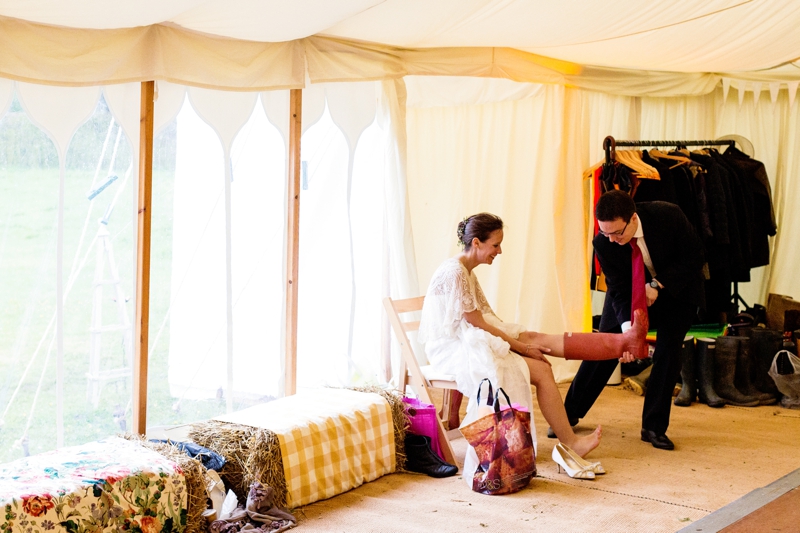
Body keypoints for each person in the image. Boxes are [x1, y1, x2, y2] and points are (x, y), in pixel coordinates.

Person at [418, 212, 647, 458]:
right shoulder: (456, 271)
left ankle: (624, 342)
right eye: (495, 245)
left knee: (535, 338)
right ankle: (571, 441)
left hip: (467, 335)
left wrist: (522, 342)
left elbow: (484, 320)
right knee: (541, 368)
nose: (500, 251)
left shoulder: (464, 270)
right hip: (453, 346)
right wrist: (521, 348)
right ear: (476, 242)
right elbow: (477, 323)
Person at [562, 190, 705, 450]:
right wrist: (629, 334)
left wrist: (658, 285)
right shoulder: (603, 243)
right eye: (606, 233)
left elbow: (694, 256)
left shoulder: (668, 214)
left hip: (677, 291)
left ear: (633, 218)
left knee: (668, 352)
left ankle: (653, 427)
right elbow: (617, 287)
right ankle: (568, 413)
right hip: (627, 294)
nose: (613, 239)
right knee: (606, 347)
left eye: (618, 233)